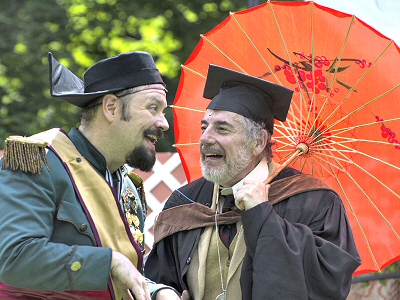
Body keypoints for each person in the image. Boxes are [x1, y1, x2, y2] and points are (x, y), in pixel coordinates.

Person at [144, 64, 362, 300]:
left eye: (222, 129)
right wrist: (164, 294)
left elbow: (328, 286)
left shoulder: (315, 201)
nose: (205, 139)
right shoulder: (185, 203)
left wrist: (262, 215)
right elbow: (157, 281)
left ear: (258, 142)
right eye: (204, 127)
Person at [0, 51, 181, 300]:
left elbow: (122, 276)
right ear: (111, 108)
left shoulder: (128, 187)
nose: (164, 123)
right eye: (153, 108)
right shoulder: (39, 161)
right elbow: (13, 259)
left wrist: (156, 291)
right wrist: (109, 262)